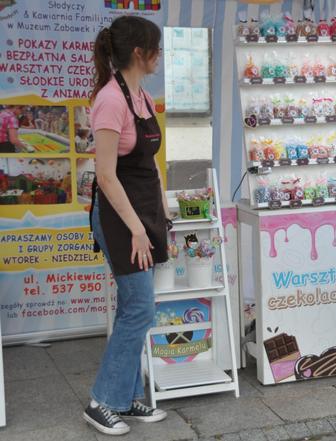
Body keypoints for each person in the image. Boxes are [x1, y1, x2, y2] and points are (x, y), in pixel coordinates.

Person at [84, 15, 170, 436]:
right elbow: (105, 175)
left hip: (143, 213)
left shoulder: (142, 95)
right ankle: (102, 399)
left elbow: (147, 162)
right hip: (119, 219)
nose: (160, 56)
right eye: (156, 48)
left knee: (133, 309)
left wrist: (162, 206)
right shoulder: (110, 100)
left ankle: (126, 396)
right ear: (140, 53)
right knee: (140, 309)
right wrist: (136, 228)